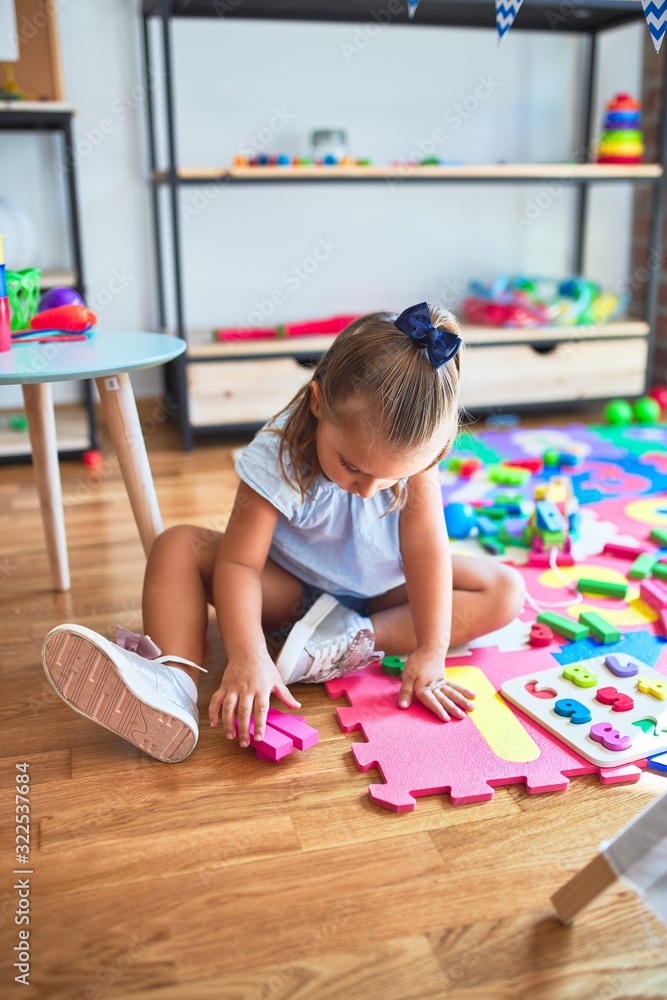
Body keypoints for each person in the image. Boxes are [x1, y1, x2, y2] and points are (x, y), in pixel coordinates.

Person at [42, 303, 525, 763]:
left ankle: (343, 642)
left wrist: (432, 651)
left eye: (389, 479)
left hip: (377, 593)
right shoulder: (277, 451)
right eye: (353, 467)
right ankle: (173, 685)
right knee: (178, 546)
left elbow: (426, 552)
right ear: (318, 403)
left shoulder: (418, 454)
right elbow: (239, 563)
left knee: (505, 590)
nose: (367, 490)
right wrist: (247, 655)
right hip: (289, 590)